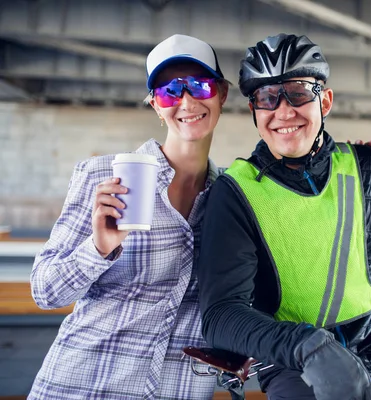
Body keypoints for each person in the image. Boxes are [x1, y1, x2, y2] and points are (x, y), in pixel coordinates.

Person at [197, 33, 371, 400]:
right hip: (296, 369)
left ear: (326, 100)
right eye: (267, 97)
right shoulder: (236, 191)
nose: (284, 110)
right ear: (255, 110)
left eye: (299, 92)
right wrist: (308, 348)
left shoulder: (369, 166)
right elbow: (221, 314)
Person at [28, 34, 229, 399]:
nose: (185, 100)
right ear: (156, 104)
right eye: (170, 92)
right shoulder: (102, 175)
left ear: (222, 94)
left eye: (199, 86)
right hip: (84, 384)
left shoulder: (233, 194)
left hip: (179, 389)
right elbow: (45, 291)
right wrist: (98, 247)